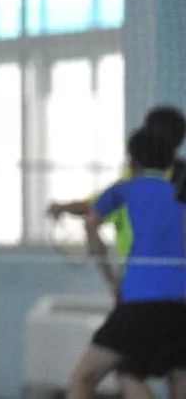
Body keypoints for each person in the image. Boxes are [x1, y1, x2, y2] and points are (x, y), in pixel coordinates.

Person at [68, 127, 186, 399]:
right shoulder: (179, 195)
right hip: (179, 306)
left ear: (133, 161)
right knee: (137, 373)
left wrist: (109, 276)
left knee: (83, 379)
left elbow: (91, 222)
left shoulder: (125, 189)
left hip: (138, 304)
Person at [48, 105, 186, 296]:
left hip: (138, 283)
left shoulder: (133, 183)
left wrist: (110, 278)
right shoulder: (171, 180)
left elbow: (91, 210)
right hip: (176, 286)